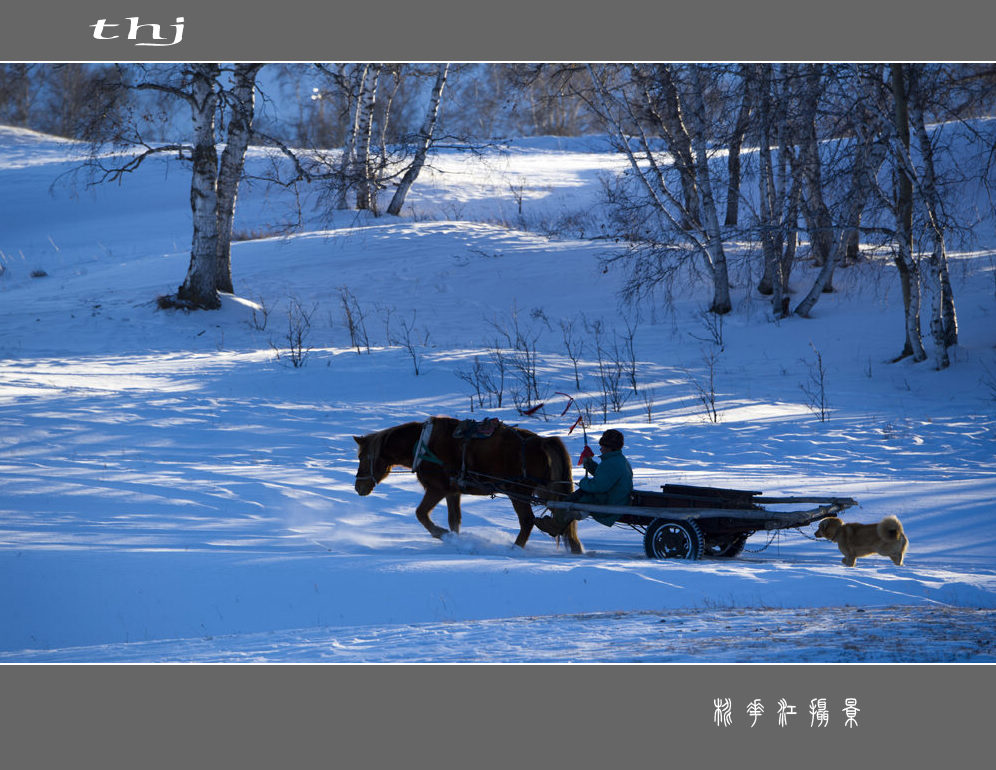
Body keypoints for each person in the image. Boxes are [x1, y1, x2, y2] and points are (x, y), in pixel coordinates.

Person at [535, 429, 633, 537]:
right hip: (615, 498)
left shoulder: (612, 463)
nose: (600, 449)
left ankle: (555, 525)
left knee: (573, 499)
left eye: (603, 446)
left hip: (609, 501)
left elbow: (599, 486)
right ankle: (558, 524)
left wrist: (583, 482)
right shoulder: (617, 460)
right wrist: (590, 464)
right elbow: (605, 477)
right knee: (577, 496)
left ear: (610, 447)